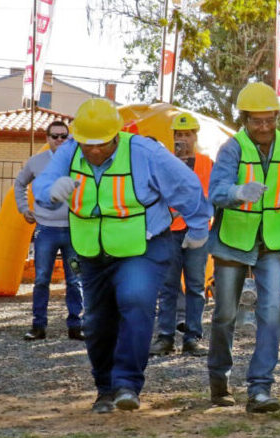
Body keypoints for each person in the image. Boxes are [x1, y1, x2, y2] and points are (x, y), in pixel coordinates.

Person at [33, 98, 212, 413]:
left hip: (143, 246)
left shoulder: (145, 152)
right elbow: (44, 185)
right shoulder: (70, 151)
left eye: (102, 144)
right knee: (98, 320)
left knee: (135, 299)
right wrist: (51, 191)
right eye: (88, 145)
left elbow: (186, 186)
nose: (94, 151)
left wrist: (198, 227)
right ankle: (105, 389)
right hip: (93, 250)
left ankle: (128, 384)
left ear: (116, 134)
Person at [206, 82, 280, 413]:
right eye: (257, 121)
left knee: (271, 313)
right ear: (245, 119)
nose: (264, 127)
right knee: (225, 314)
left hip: (276, 243)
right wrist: (237, 192)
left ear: (277, 117)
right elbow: (215, 191)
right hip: (233, 243)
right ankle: (219, 379)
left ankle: (260, 388)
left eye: (270, 120)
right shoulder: (232, 149)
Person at [150, 112, 214, 357]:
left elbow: (210, 196)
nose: (183, 139)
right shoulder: (165, 163)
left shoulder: (207, 163)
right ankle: (165, 337)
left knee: (196, 286)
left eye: (187, 134)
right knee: (168, 287)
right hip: (169, 233)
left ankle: (192, 338)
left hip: (197, 232)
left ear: (195, 136)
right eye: (179, 134)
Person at [14, 120, 85, 341]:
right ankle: (38, 326)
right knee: (42, 278)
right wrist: (24, 208)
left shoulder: (79, 161)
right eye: (55, 136)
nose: (59, 140)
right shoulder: (37, 162)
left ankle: (76, 325)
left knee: (75, 280)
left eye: (64, 136)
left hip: (74, 229)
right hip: (46, 230)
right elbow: (19, 183)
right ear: (47, 138)